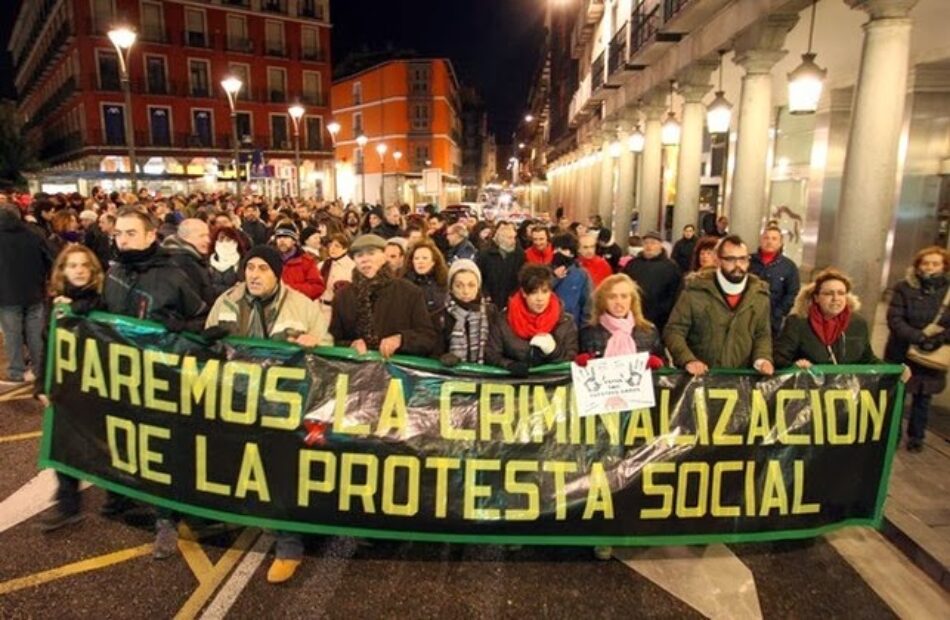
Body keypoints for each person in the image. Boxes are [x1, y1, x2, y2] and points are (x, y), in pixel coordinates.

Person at [205, 245, 329, 584]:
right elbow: (206, 347)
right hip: (238, 402)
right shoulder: (226, 302)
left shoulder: (302, 306)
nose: (254, 274)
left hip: (282, 409)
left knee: (281, 473)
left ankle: (289, 544)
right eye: (250, 268)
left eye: (262, 269)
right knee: (241, 467)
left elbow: (328, 347)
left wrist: (315, 342)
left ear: (277, 273)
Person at [104, 206, 209, 558]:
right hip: (123, 374)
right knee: (123, 434)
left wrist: (184, 328)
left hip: (163, 378)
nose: (123, 240)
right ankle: (118, 491)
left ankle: (166, 518)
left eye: (131, 233)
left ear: (151, 235)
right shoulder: (114, 271)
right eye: (118, 233)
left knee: (162, 446)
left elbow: (201, 318)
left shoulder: (174, 274)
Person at [39, 245, 106, 532]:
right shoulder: (54, 304)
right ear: (62, 271)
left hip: (102, 385)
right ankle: (68, 503)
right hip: (67, 386)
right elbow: (47, 346)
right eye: (72, 265)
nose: (78, 270)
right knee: (64, 442)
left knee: (108, 443)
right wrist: (41, 384)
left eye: (83, 265)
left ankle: (120, 498)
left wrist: (79, 309)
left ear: (92, 270)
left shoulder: (103, 300)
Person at [663, 235, 774, 376]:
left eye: (742, 259)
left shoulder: (760, 295)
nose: (738, 265)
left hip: (741, 380)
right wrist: (688, 360)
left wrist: (763, 359)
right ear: (718, 260)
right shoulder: (695, 291)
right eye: (730, 259)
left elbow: (762, 334)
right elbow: (674, 330)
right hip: (701, 379)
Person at [885, 247, 950, 452]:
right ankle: (892, 436)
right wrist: (919, 337)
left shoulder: (947, 292)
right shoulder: (904, 287)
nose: (929, 267)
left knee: (924, 398)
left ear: (944, 267)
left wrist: (939, 340)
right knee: (898, 395)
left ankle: (916, 437)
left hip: (933, 355)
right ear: (918, 265)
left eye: (935, 263)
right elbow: (895, 318)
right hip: (902, 350)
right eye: (925, 263)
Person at [330, 234, 438, 357]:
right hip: (357, 371)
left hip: (396, 372)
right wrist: (350, 345)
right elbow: (334, 339)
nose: (365, 259)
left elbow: (427, 338)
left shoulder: (410, 292)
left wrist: (401, 340)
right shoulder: (343, 296)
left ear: (384, 256)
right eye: (359, 255)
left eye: (371, 253)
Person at [774, 268, 878, 369]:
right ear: (816, 298)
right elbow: (779, 358)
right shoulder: (797, 322)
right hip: (809, 384)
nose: (835, 298)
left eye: (841, 293)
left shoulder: (858, 323)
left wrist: (892, 369)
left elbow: (867, 359)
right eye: (828, 294)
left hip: (848, 385)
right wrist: (795, 365)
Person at [486, 264, 578, 375]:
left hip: (552, 389)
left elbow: (571, 361)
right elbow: (491, 355)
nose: (540, 298)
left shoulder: (566, 322)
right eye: (534, 292)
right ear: (524, 293)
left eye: (545, 291)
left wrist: (554, 351)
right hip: (514, 386)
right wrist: (509, 365)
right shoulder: (503, 321)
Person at [0, 204, 51, 385]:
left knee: (12, 335)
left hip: (6, 295)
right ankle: (40, 369)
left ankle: (16, 371)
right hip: (34, 292)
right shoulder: (35, 234)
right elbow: (50, 259)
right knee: (36, 333)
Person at [435, 259, 497, 365]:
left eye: (471, 285)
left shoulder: (491, 313)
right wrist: (442, 357)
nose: (466, 291)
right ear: (451, 288)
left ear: (478, 287)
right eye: (459, 286)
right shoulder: (440, 316)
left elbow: (498, 349)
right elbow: (433, 352)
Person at [622, 231, 682, 333]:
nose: (649, 246)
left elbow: (674, 294)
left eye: (653, 243)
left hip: (660, 317)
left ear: (660, 245)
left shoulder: (671, 267)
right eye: (646, 243)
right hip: (634, 314)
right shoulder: (632, 264)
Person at [750, 226, 800, 337]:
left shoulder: (789, 266)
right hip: (748, 314)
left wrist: (780, 312)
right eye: (766, 238)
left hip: (773, 318)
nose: (769, 241)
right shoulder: (748, 261)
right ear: (761, 240)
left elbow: (792, 292)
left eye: (774, 239)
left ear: (780, 243)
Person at [162, 218, 216, 307]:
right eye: (201, 236)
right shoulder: (184, 263)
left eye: (207, 235)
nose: (208, 240)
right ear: (185, 238)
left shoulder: (193, 258)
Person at [476, 221, 525, 312]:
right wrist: (485, 294)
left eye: (514, 237)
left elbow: (522, 277)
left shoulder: (519, 254)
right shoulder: (485, 254)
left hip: (512, 299)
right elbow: (479, 276)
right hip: (491, 299)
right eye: (510, 238)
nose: (513, 241)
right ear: (501, 239)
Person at [550, 233, 593, 329]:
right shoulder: (545, 271)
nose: (558, 252)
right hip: (548, 326)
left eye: (564, 249)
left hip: (572, 327)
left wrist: (585, 328)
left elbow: (588, 304)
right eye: (556, 249)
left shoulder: (581, 274)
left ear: (572, 253)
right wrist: (554, 277)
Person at [273, 224, 325, 300]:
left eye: (286, 237)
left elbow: (317, 287)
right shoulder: (271, 259)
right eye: (279, 237)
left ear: (294, 240)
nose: (282, 240)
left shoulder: (306, 261)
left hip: (298, 307)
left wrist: (289, 288)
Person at [403, 239, 448, 317]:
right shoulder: (404, 284)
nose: (420, 261)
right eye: (416, 258)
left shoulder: (443, 282)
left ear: (433, 261)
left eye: (425, 258)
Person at [317, 233, 355, 324]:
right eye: (330, 245)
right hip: (320, 308)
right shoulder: (322, 265)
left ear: (345, 248)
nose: (332, 249)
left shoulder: (352, 267)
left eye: (337, 246)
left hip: (339, 312)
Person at [209, 226, 249, 296]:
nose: (224, 242)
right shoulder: (209, 261)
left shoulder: (243, 260)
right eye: (221, 239)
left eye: (228, 239)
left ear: (235, 241)